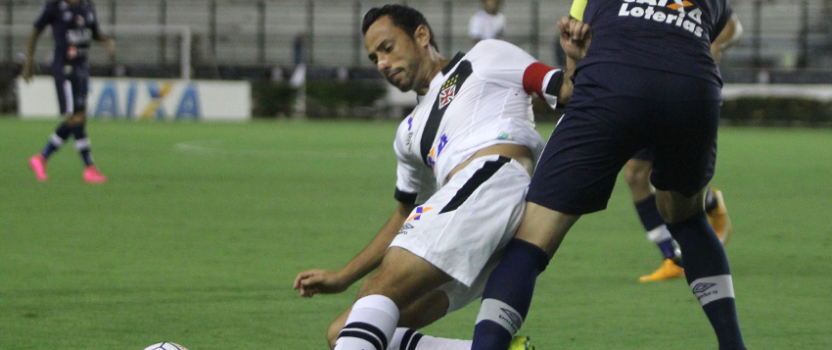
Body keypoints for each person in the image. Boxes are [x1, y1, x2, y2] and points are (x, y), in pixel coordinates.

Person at [293, 4, 578, 350]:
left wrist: (575, 58)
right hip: (474, 221)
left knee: (377, 291)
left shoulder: (486, 56)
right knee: (342, 331)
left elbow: (566, 91)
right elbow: (403, 214)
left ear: (422, 35)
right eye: (373, 58)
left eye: (387, 48)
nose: (382, 63)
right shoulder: (408, 132)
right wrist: (342, 277)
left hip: (493, 182)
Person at [470, 0, 747, 349]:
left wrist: (574, 57)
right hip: (692, 90)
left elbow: (575, 46)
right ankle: (733, 344)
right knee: (688, 220)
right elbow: (726, 23)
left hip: (613, 88)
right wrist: (712, 45)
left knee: (531, 240)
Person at [628, 13, 742, 282]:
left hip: (686, 89)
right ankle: (671, 257)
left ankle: (711, 203)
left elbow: (733, 26)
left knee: (676, 178)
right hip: (645, 86)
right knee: (635, 175)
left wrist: (714, 46)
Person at [23, 0, 114, 184]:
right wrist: (28, 63)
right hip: (64, 69)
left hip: (81, 67)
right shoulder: (54, 6)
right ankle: (89, 167)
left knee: (77, 118)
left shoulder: (88, 5)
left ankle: (41, 158)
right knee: (75, 117)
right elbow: (35, 31)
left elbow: (93, 31)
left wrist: (106, 40)